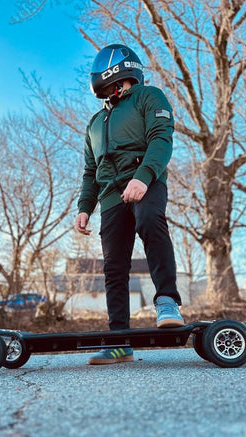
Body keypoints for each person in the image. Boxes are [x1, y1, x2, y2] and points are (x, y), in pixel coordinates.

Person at [76, 44, 184, 365]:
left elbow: (161, 138)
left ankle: (166, 300)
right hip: (110, 196)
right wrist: (85, 207)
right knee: (114, 266)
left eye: (111, 85)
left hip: (145, 181)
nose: (108, 92)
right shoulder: (95, 123)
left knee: (151, 220)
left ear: (122, 75)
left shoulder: (149, 96)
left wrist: (144, 176)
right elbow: (90, 171)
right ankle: (119, 341)